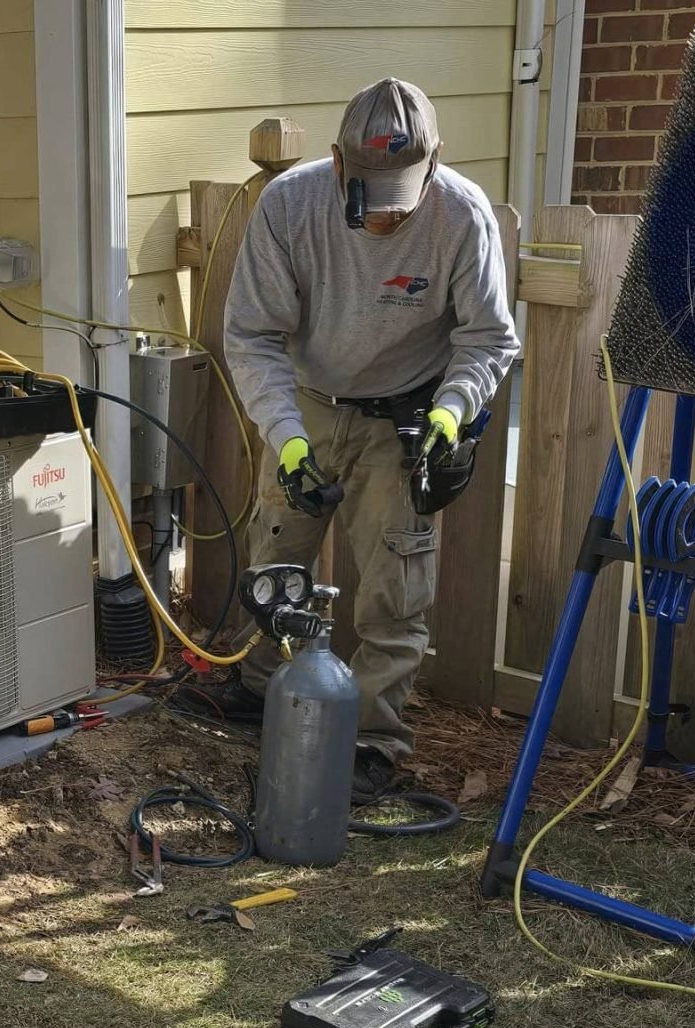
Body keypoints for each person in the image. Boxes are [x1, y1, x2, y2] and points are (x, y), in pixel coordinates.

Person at [220, 77, 520, 801]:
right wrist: (287, 439)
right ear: (337, 159)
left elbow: (486, 340)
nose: (383, 218)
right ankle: (263, 691)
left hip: (406, 420)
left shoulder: (463, 216)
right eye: (368, 193)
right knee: (277, 553)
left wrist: (451, 414)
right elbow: (253, 335)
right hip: (310, 404)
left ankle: (374, 741)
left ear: (435, 160)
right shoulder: (290, 205)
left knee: (394, 587)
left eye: (399, 196)